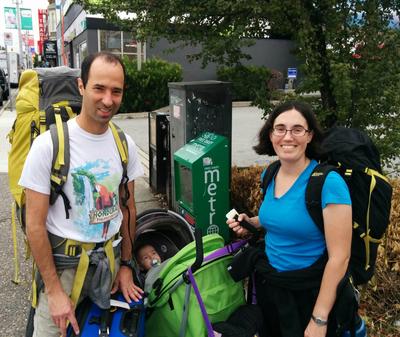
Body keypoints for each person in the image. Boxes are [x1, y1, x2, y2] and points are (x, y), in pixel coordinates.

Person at [19, 52, 144, 337]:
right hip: (63, 272)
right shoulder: (48, 145)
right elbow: (34, 225)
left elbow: (128, 209)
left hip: (109, 269)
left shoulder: (125, 144)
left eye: (116, 91)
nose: (108, 100)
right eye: (99, 88)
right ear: (81, 87)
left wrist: (126, 265)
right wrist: (53, 291)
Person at [227, 101, 353, 337]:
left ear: (310, 136)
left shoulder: (328, 183)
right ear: (271, 134)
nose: (288, 136)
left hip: (309, 294)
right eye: (280, 128)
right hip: (272, 287)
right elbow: (280, 218)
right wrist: (252, 222)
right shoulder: (271, 173)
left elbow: (340, 257)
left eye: (297, 129)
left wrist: (319, 318)